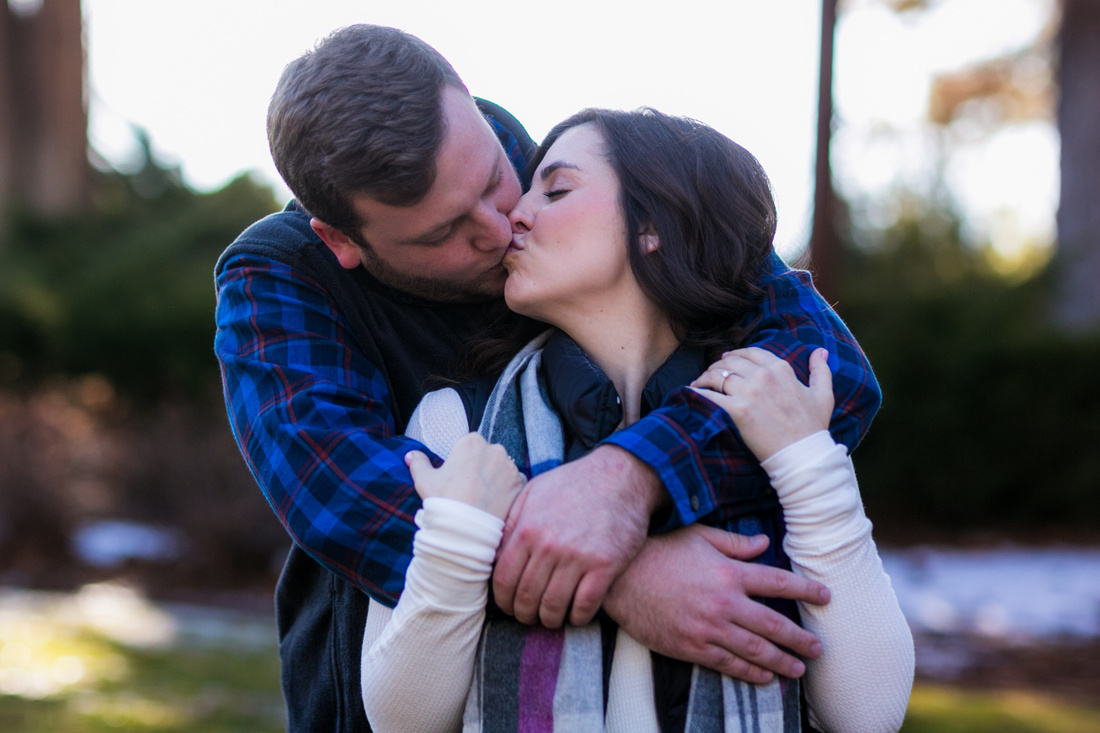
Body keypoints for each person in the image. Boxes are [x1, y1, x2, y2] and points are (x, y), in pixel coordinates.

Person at [213, 25, 882, 732]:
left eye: (494, 178)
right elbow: (348, 499)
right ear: (342, 241)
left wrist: (632, 475)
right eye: (444, 234)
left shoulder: (586, 179)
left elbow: (825, 365)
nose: (502, 228)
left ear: (469, 105)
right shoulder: (277, 277)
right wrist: (624, 576)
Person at [357, 109, 913, 732]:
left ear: (653, 225)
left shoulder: (767, 411)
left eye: (557, 189)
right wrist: (458, 543)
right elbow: (400, 720)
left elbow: (869, 715)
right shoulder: (459, 425)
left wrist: (810, 467)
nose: (514, 214)